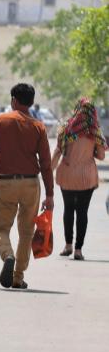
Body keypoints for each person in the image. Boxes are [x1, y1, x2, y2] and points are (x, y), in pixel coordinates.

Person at [0, 83, 54, 290]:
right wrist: (50, 194)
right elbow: (46, 164)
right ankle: (18, 277)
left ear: (14, 100)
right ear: (31, 102)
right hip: (30, 184)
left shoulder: (1, 121)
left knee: (1, 227)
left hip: (6, 183)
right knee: (26, 231)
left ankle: (7, 255)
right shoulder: (38, 127)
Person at [52, 99, 106, 260]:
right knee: (82, 212)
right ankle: (78, 250)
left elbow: (57, 152)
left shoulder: (66, 129)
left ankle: (67, 245)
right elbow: (102, 155)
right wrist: (92, 153)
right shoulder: (94, 131)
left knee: (68, 209)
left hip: (67, 174)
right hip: (86, 176)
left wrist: (48, 172)